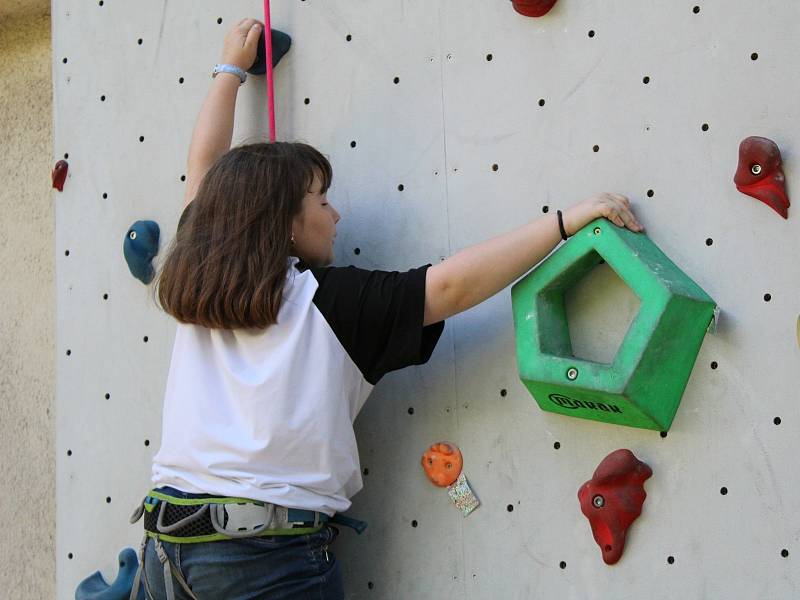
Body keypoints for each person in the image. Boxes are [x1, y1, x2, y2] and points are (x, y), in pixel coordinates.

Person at [129, 17, 645, 600]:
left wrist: (229, 69)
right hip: (264, 563)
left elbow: (204, 171)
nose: (336, 215)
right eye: (322, 200)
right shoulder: (329, 303)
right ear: (285, 224)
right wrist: (564, 222)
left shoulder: (196, 283)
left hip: (167, 550)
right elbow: (449, 287)